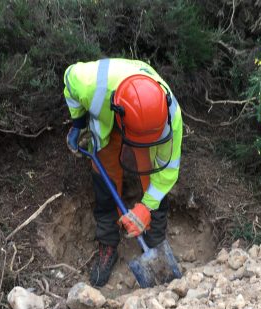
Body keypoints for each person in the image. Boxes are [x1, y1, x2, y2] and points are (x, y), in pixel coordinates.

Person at [63, 58, 183, 287]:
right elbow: (68, 79)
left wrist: (146, 206)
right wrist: (78, 124)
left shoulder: (171, 116)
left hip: (143, 123)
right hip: (109, 120)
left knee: (153, 178)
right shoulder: (88, 84)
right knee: (104, 176)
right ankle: (108, 241)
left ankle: (155, 242)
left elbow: (167, 173)